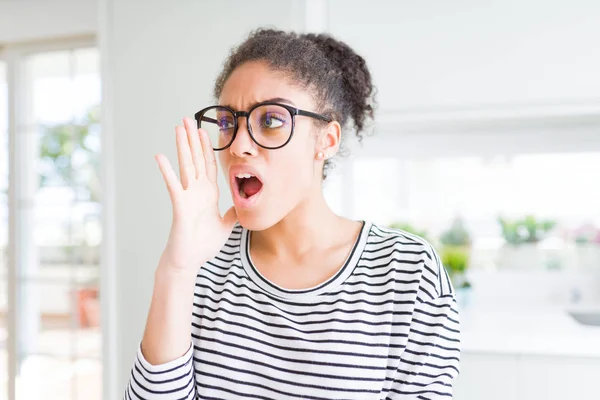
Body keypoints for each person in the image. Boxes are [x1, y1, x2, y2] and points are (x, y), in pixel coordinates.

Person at [124, 28, 460, 400]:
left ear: (326, 140)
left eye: (270, 121)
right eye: (226, 123)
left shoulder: (408, 273)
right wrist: (178, 270)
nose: (237, 144)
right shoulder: (202, 264)